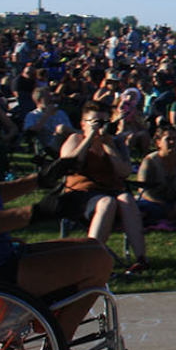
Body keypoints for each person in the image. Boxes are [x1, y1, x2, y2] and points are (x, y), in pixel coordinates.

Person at [0, 69, 112, 341]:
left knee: (93, 246)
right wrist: (35, 213)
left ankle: (28, 345)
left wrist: (40, 179)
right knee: (100, 261)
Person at [61, 102, 150, 274]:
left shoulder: (115, 143)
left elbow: (124, 172)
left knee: (126, 199)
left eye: (104, 122)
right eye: (95, 122)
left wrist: (109, 146)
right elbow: (69, 165)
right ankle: (90, 260)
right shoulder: (75, 140)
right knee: (106, 202)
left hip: (111, 191)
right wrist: (89, 138)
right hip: (81, 195)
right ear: (83, 123)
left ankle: (141, 259)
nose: (100, 127)